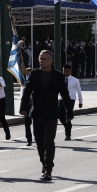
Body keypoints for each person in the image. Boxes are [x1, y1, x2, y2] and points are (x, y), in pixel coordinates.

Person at [20, 50, 71, 180]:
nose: (41, 61)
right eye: (40, 58)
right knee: (39, 141)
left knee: (49, 141)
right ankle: (44, 163)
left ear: (51, 60)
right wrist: (23, 107)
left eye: (44, 59)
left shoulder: (58, 76)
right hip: (37, 112)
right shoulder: (35, 74)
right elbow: (27, 92)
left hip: (51, 113)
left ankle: (48, 169)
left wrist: (69, 112)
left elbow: (65, 95)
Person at [62, 64, 84, 140]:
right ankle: (68, 125)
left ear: (70, 71)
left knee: (68, 116)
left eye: (67, 71)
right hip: (61, 99)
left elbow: (79, 91)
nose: (65, 72)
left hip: (71, 99)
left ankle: (67, 134)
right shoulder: (60, 79)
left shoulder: (75, 80)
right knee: (61, 116)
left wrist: (80, 101)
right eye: (64, 71)